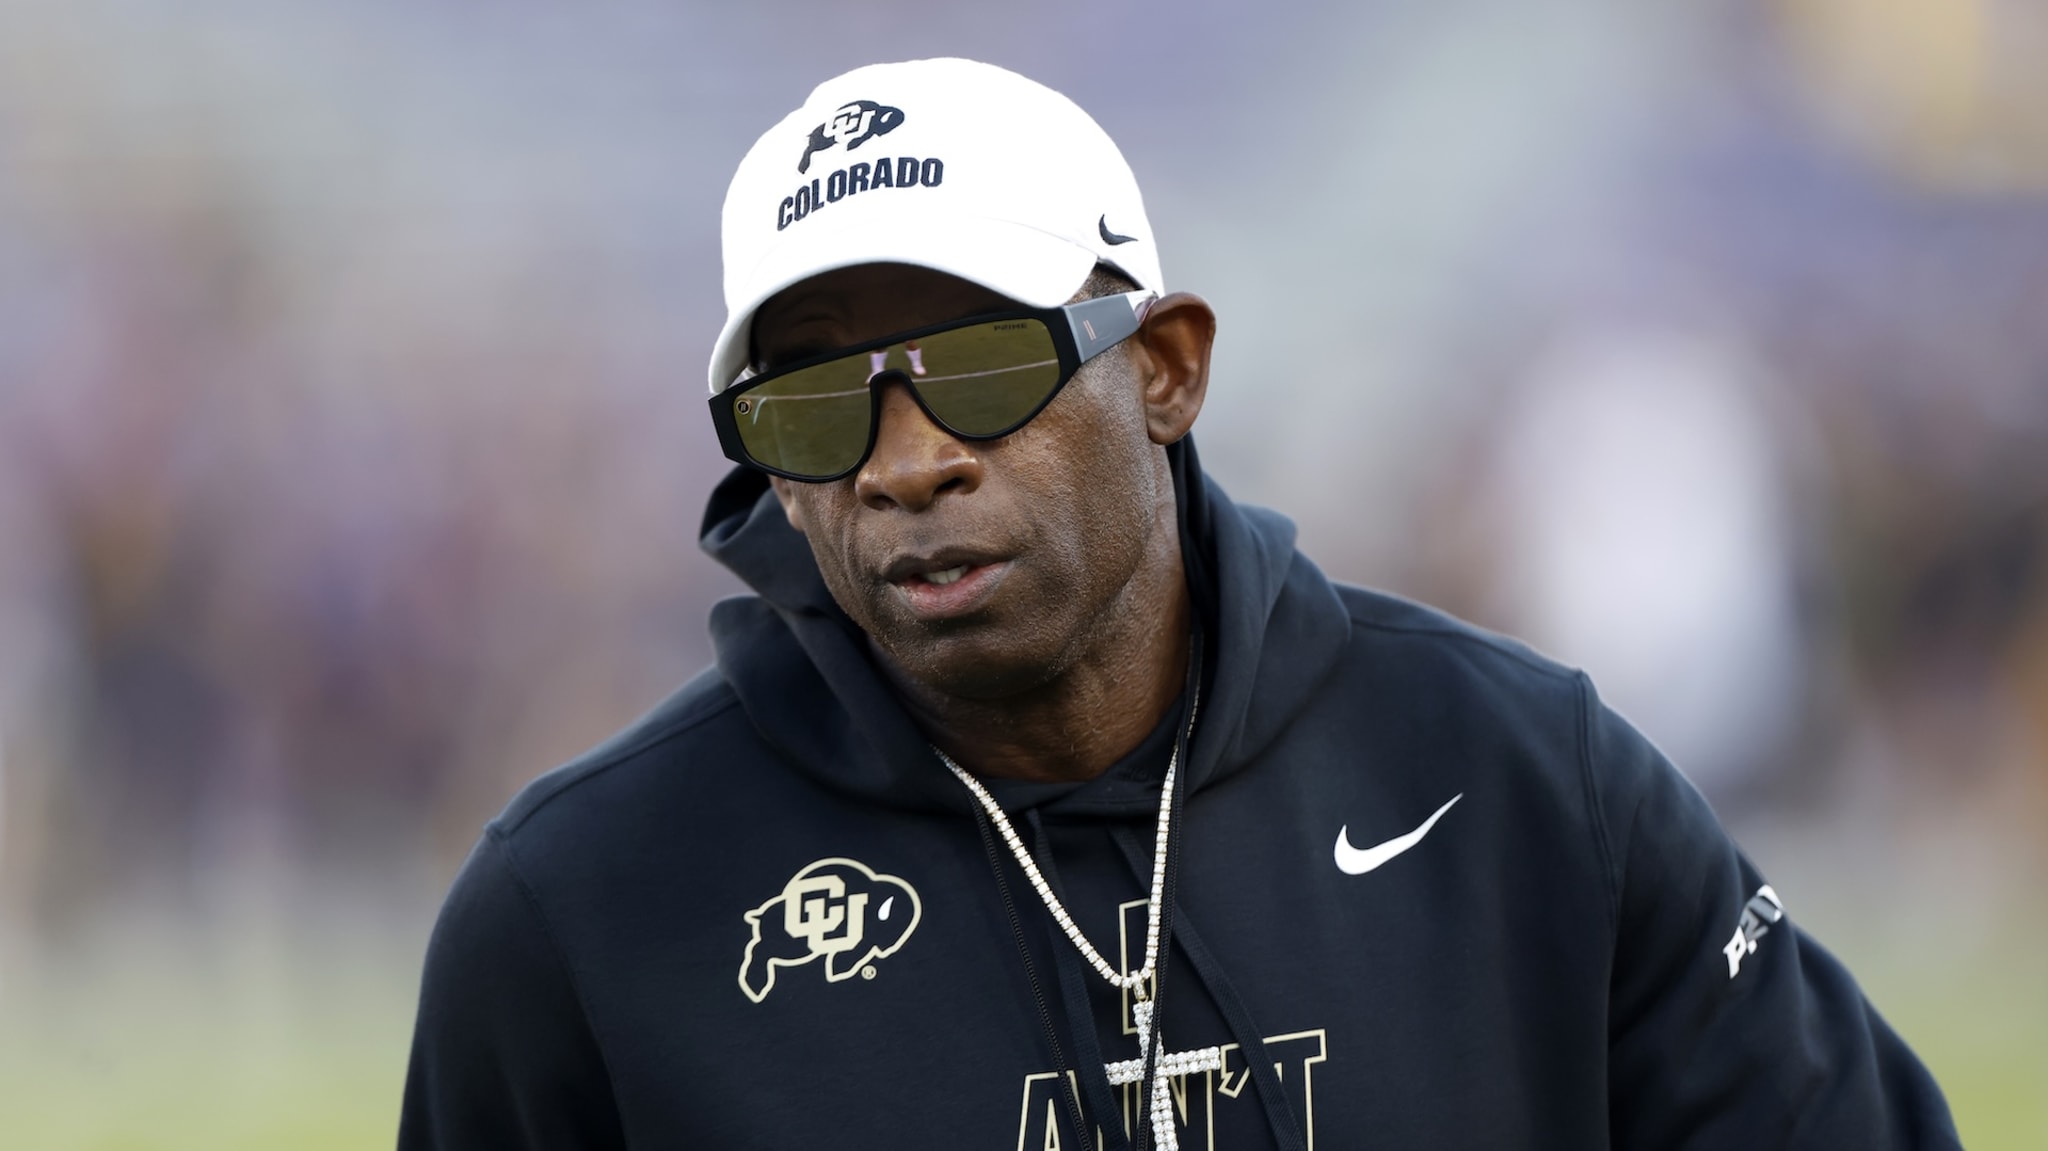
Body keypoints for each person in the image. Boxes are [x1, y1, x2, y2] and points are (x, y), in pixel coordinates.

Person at [398, 58, 1960, 1150]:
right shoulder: (584, 914)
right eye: (817, 405)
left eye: (983, 366)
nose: (909, 461)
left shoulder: (1522, 785)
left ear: (1164, 367)